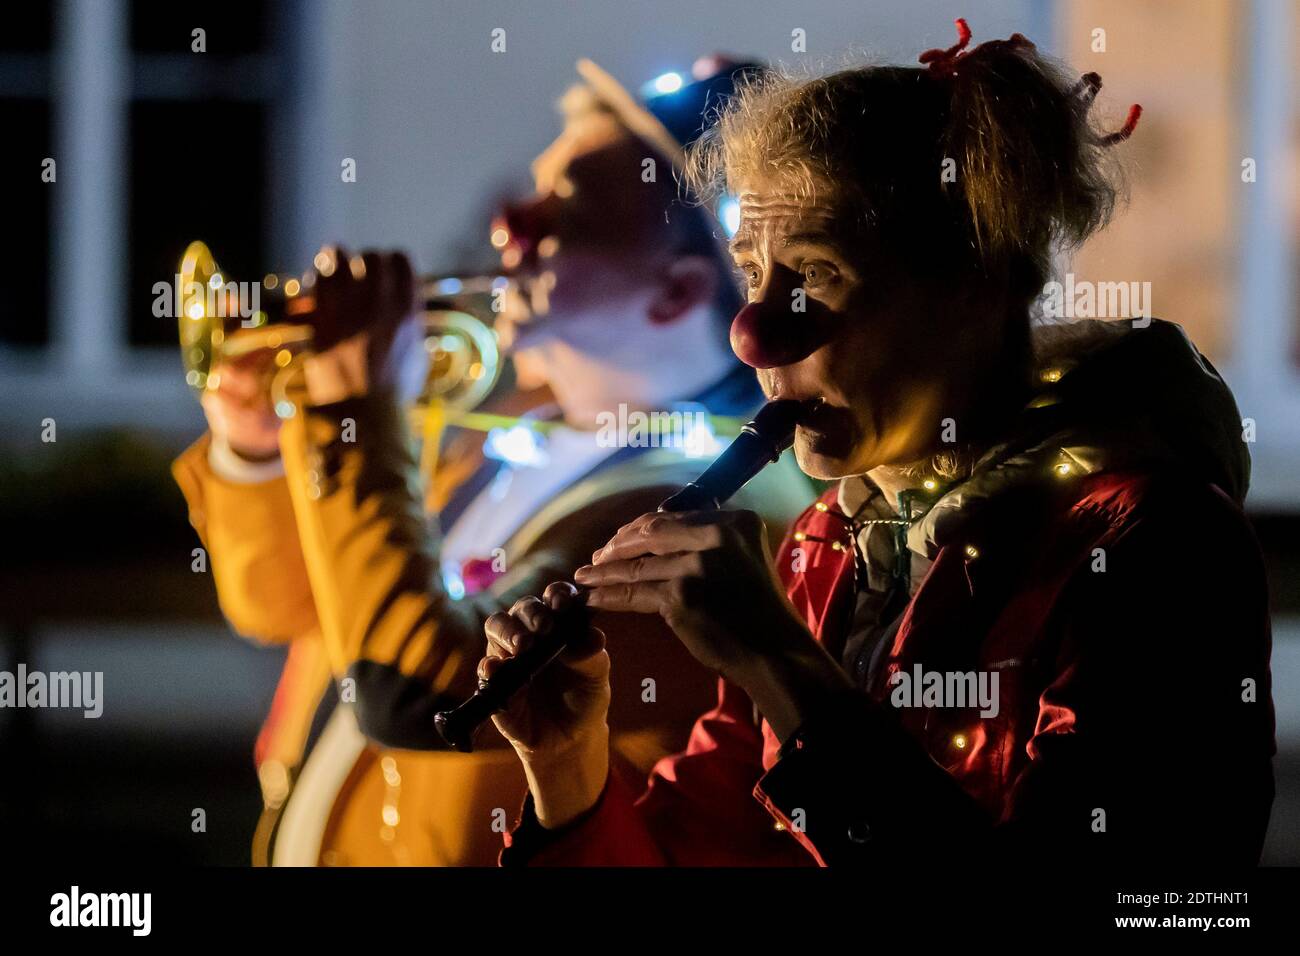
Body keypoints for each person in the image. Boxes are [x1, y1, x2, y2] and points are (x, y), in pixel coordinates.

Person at [481, 20, 1276, 866]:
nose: (752, 334)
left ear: (977, 285)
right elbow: (700, 850)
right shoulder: (825, 543)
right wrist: (565, 770)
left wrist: (783, 665)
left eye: (816, 274)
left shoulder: (1151, 542)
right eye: (753, 273)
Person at [172, 56, 811, 865]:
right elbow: (278, 604)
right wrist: (259, 443)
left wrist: (353, 412)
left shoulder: (697, 513)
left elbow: (428, 695)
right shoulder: (506, 433)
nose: (508, 220)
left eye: (567, 200)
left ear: (677, 292)